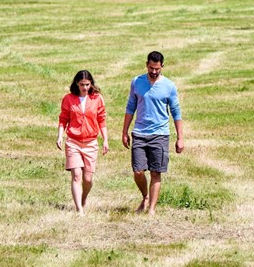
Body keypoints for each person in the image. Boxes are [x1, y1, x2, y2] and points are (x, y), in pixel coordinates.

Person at [122, 51, 184, 215]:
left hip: (160, 134)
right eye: (151, 68)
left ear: (162, 66)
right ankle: (145, 196)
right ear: (146, 65)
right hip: (140, 133)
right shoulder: (137, 82)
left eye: (157, 68)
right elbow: (130, 107)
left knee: (156, 172)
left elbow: (176, 112)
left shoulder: (169, 86)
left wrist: (180, 138)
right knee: (138, 171)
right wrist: (124, 131)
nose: (154, 72)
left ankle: (151, 210)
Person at [56, 70, 109, 214]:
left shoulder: (97, 99)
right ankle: (79, 209)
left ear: (91, 84)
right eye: (81, 85)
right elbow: (63, 119)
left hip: (91, 142)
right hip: (73, 141)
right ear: (76, 84)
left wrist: (105, 140)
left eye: (87, 84)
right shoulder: (68, 98)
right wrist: (60, 136)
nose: (84, 88)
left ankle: (83, 198)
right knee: (76, 175)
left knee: (88, 179)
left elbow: (101, 120)